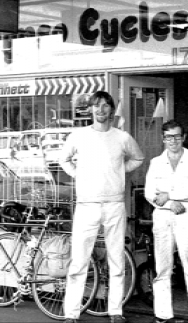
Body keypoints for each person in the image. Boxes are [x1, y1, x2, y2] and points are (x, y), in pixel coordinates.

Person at [60, 91, 144, 323]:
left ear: (112, 110)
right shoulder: (78, 136)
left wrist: (119, 172)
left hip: (114, 204)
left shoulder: (122, 137)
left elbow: (138, 158)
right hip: (86, 205)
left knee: (116, 258)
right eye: (96, 106)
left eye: (106, 106)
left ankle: (115, 310)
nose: (101, 110)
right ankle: (71, 313)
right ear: (90, 110)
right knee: (79, 260)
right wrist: (79, 175)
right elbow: (64, 160)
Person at [144, 120, 188, 323]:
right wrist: (171, 203)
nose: (173, 140)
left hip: (187, 216)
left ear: (184, 137)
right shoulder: (155, 162)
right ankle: (162, 315)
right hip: (163, 216)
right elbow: (149, 193)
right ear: (163, 139)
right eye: (169, 137)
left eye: (177, 136)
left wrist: (170, 194)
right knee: (163, 268)